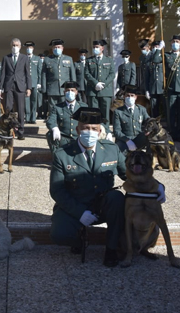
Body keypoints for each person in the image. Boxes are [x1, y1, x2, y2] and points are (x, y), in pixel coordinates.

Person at [49, 107, 127, 267]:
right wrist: (80, 212)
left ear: (100, 131)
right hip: (76, 204)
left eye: (94, 129)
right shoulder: (62, 154)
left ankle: (111, 249)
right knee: (59, 234)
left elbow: (131, 175)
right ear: (78, 130)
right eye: (85, 128)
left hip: (103, 204)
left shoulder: (112, 150)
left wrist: (155, 187)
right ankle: (78, 240)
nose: (89, 132)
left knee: (117, 198)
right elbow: (57, 190)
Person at [153, 35, 180, 142]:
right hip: (170, 88)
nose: (175, 43)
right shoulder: (166, 55)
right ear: (170, 43)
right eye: (173, 41)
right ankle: (171, 134)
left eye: (177, 41)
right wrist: (159, 49)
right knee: (170, 113)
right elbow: (156, 60)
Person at [0, 38, 32, 140]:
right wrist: (0, 88)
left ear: (20, 47)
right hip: (8, 86)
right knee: (8, 109)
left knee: (21, 109)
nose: (15, 47)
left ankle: (21, 131)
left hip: (20, 86)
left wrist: (29, 87)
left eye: (17, 45)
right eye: (13, 45)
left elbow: (27, 74)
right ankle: (8, 131)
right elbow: (3, 74)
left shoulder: (24, 58)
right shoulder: (6, 58)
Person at [45, 81, 87, 154]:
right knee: (50, 134)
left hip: (78, 137)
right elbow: (50, 120)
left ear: (76, 92)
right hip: (63, 137)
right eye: (68, 90)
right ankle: (56, 158)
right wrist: (54, 128)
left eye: (72, 90)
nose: (70, 92)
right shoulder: (57, 107)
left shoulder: (83, 107)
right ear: (64, 92)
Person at [112, 85, 150, 154]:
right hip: (124, 139)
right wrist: (127, 140)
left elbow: (149, 122)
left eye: (132, 95)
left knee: (151, 140)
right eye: (127, 95)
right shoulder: (118, 112)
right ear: (124, 97)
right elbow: (117, 131)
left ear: (135, 97)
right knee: (121, 153)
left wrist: (148, 131)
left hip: (138, 138)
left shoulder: (141, 109)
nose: (130, 97)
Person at [84, 40, 114, 124]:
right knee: (93, 113)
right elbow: (86, 73)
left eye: (97, 47)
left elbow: (112, 74)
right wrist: (95, 83)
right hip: (92, 91)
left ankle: (106, 130)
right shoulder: (89, 60)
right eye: (94, 47)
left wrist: (103, 84)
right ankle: (94, 130)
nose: (95, 49)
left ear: (102, 48)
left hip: (105, 91)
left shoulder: (109, 60)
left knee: (105, 113)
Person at [41, 39, 76, 108]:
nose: (57, 49)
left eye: (58, 47)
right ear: (52, 49)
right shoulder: (47, 59)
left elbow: (72, 75)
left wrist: (73, 89)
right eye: (55, 47)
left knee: (65, 108)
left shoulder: (68, 59)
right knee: (52, 108)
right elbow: (44, 75)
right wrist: (44, 90)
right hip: (52, 89)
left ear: (62, 48)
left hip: (65, 89)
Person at [145, 40, 165, 118]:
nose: (156, 49)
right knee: (154, 109)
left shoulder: (163, 58)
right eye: (154, 47)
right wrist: (147, 90)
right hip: (153, 88)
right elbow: (147, 77)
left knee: (165, 108)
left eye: (157, 47)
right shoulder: (149, 61)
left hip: (163, 87)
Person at [24, 41, 42, 124]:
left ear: (33, 49)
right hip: (25, 83)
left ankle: (33, 118)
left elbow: (40, 71)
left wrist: (39, 82)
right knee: (26, 101)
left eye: (30, 48)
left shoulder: (37, 59)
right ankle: (27, 118)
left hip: (35, 83)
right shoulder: (23, 58)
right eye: (27, 48)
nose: (29, 49)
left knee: (34, 101)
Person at [37, 53, 48, 120]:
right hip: (39, 85)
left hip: (47, 85)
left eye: (43, 58)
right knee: (39, 101)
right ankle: (40, 114)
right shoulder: (38, 65)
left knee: (46, 101)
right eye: (41, 58)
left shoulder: (47, 65)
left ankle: (45, 114)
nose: (42, 60)